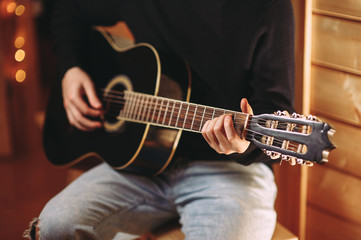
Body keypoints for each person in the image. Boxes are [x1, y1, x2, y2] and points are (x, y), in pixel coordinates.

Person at [27, 0, 295, 239]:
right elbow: (68, 8)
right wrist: (70, 69)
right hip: (140, 161)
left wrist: (243, 145)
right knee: (55, 226)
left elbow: (274, 114)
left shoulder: (269, 6)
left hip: (231, 172)